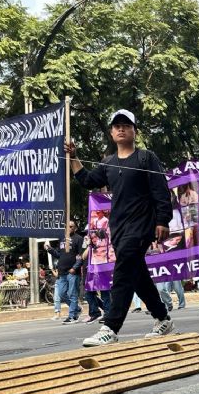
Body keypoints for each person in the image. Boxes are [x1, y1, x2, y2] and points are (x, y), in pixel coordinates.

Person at [66, 109, 175, 346]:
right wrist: (73, 157)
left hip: (143, 225)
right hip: (119, 228)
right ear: (111, 132)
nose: (121, 129)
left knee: (124, 269)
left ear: (135, 131)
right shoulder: (108, 163)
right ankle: (162, 317)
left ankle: (111, 327)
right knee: (138, 276)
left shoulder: (146, 158)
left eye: (126, 125)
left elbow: (160, 191)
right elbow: (87, 180)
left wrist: (162, 221)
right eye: (117, 126)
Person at [45, 221, 84, 324]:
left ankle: (72, 316)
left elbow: (81, 255)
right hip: (62, 272)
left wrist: (75, 268)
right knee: (62, 294)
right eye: (67, 226)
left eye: (71, 226)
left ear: (75, 228)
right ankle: (77, 309)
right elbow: (59, 255)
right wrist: (50, 249)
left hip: (72, 272)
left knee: (72, 294)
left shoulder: (79, 239)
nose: (69, 228)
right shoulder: (62, 239)